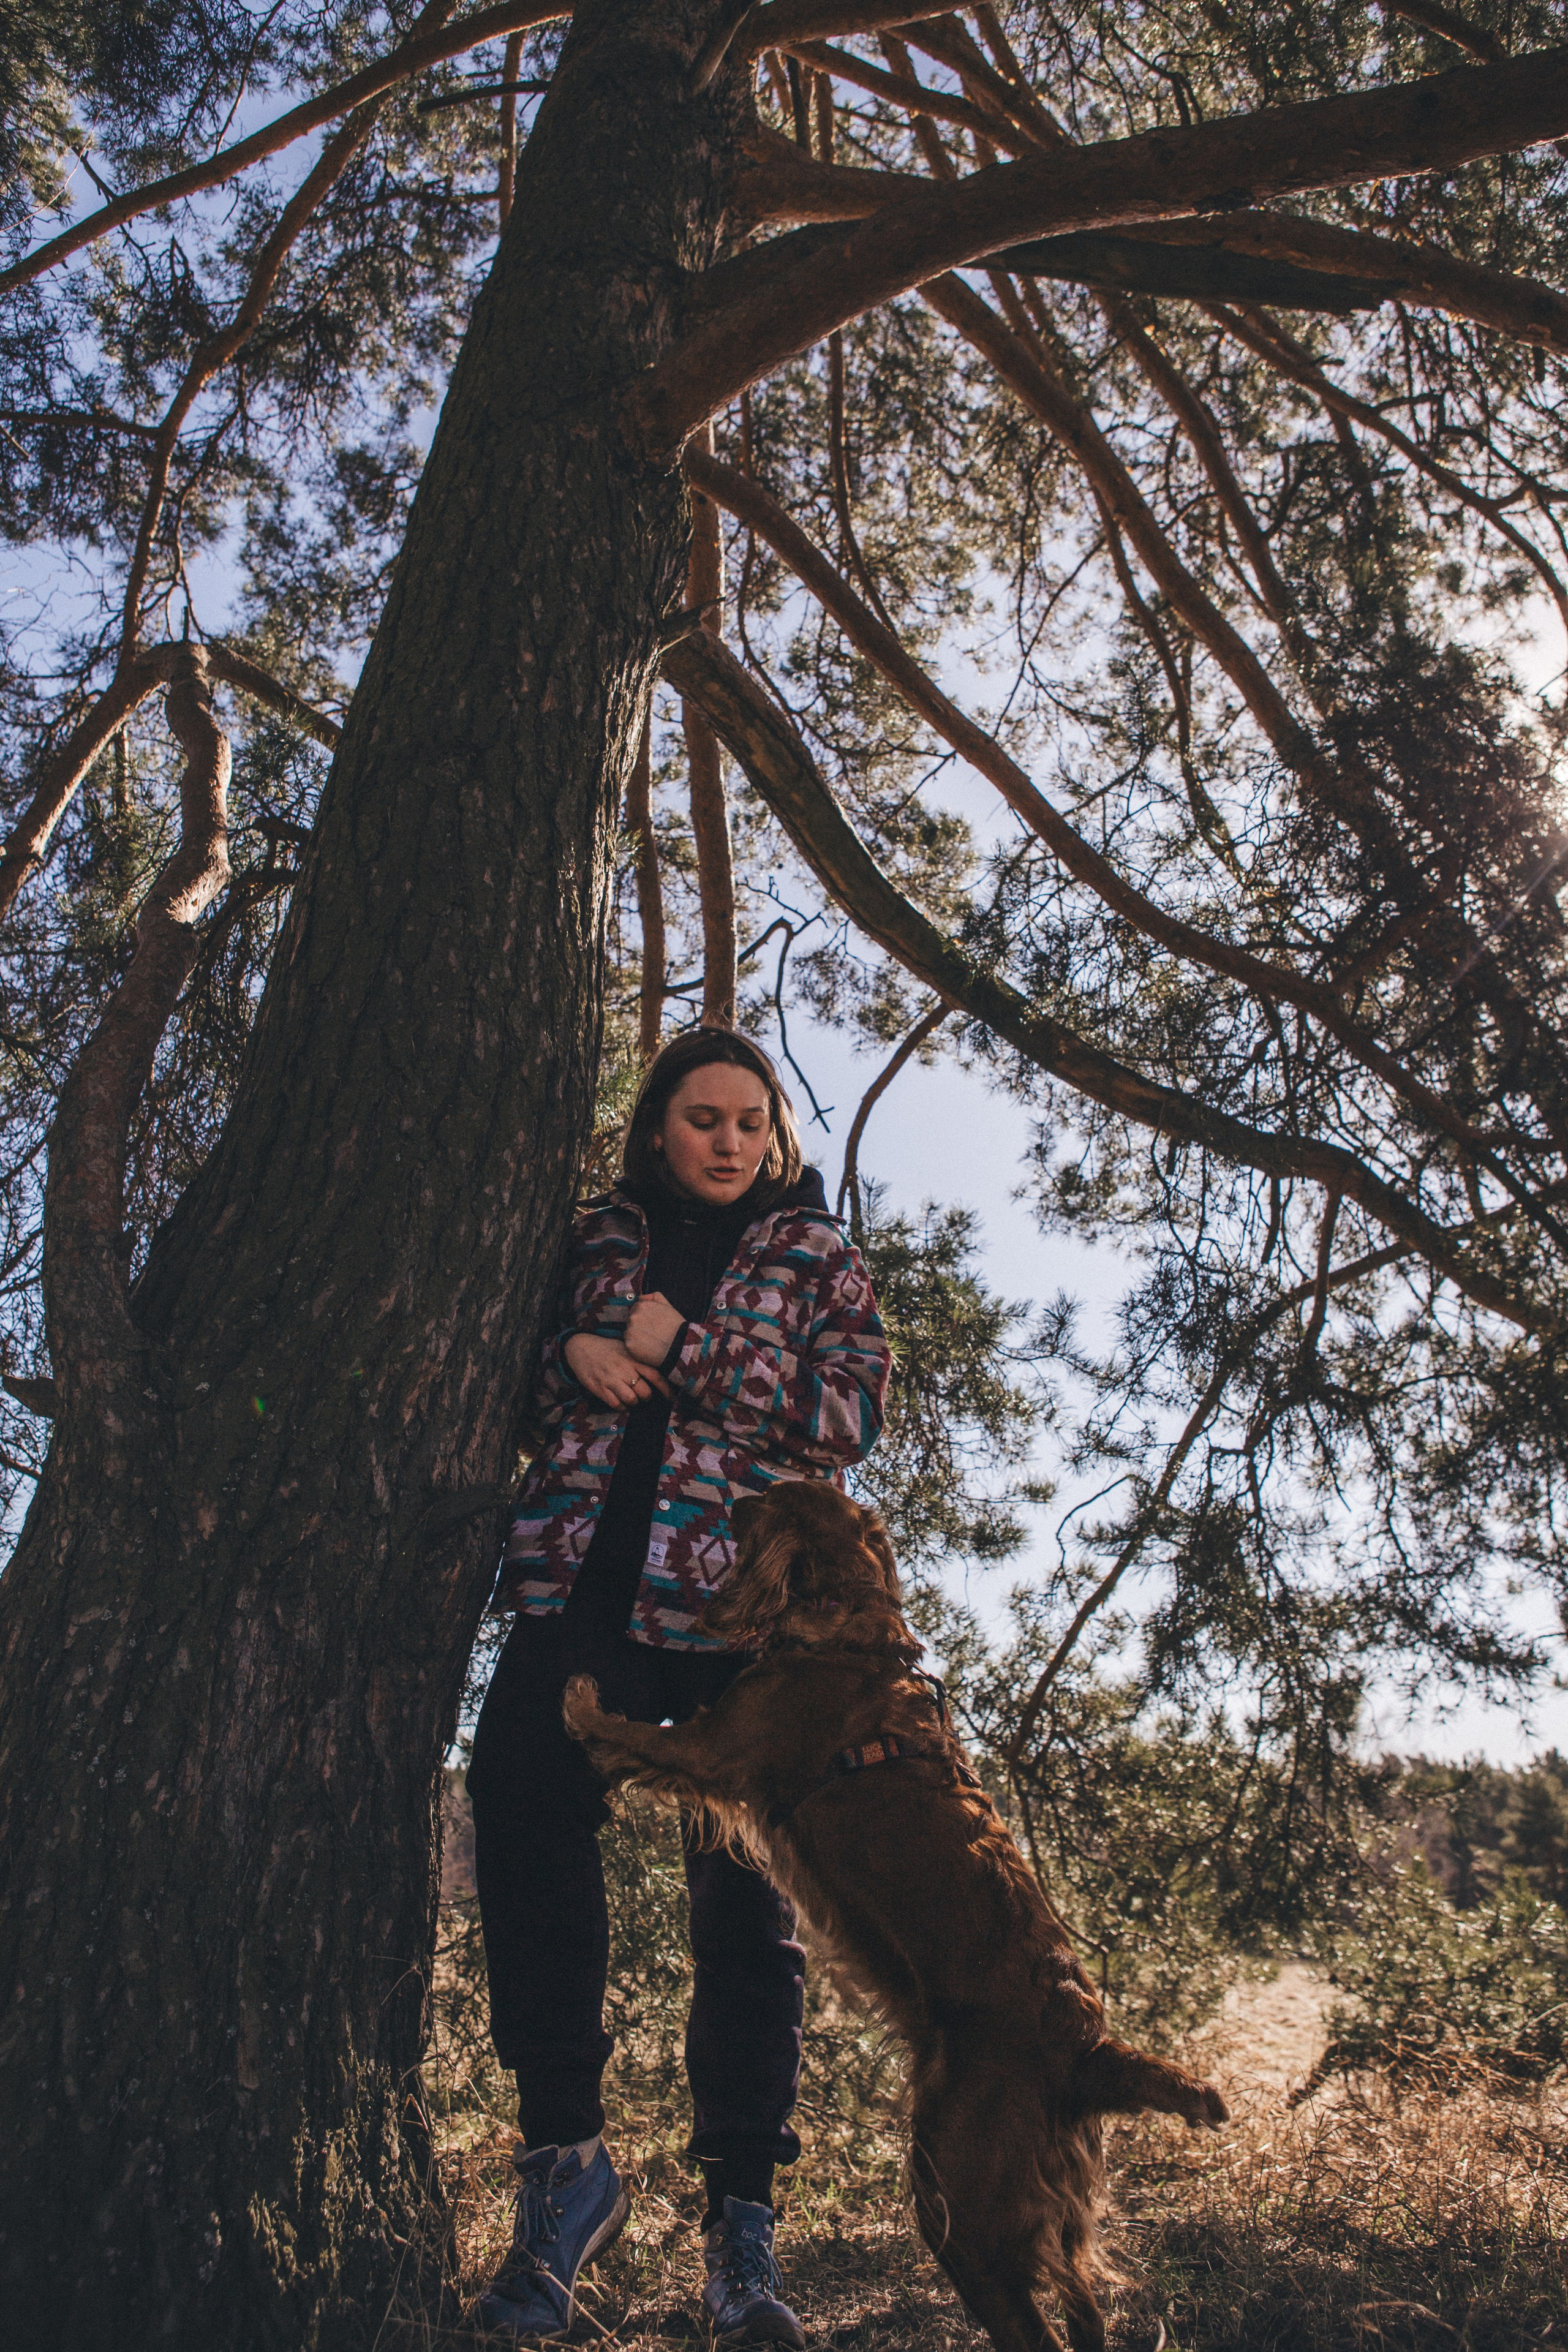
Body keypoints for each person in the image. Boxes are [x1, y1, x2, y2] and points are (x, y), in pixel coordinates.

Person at [467, 1028, 891, 2345]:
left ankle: (741, 2223)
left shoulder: (816, 1255)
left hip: (740, 1613)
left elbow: (850, 1418)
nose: (724, 1141)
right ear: (657, 1128)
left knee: (746, 1906)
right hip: (580, 1589)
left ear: (772, 1136)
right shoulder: (596, 1237)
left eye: (747, 1122)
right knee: (520, 1804)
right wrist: (576, 1360)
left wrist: (688, 1346)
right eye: (699, 1118)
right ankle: (565, 2165)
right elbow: (527, 1372)